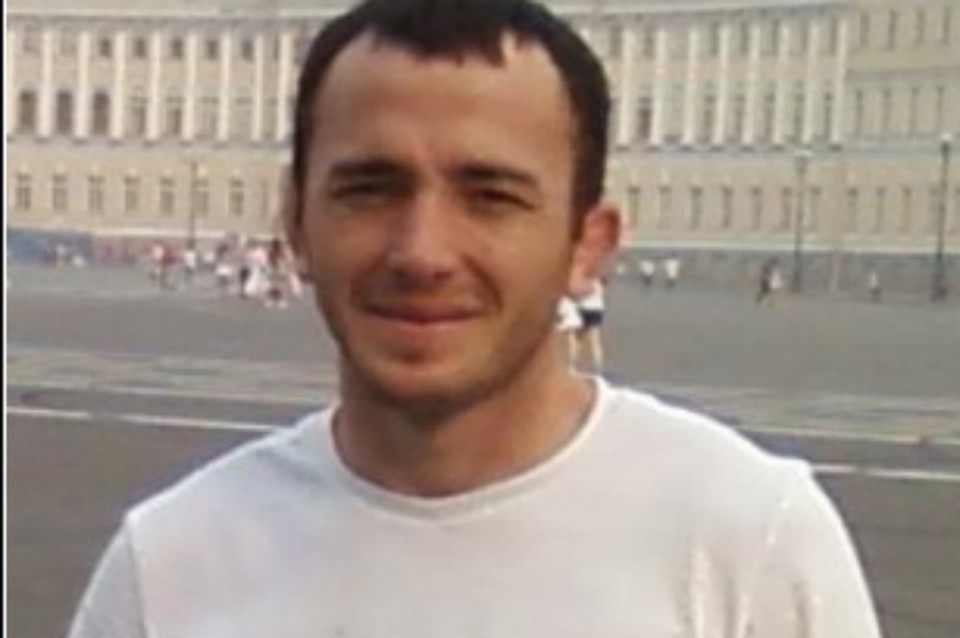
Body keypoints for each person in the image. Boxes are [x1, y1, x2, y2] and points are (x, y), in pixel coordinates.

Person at [68, 1, 881, 637]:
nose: (422, 252)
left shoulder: (754, 544)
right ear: (295, 223)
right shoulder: (166, 567)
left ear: (587, 245)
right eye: (370, 189)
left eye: (491, 197)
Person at [574, 276, 607, 372]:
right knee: (595, 340)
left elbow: (578, 295)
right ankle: (598, 368)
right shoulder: (600, 282)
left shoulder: (585, 282)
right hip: (597, 310)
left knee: (578, 339)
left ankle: (574, 366)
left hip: (585, 309)